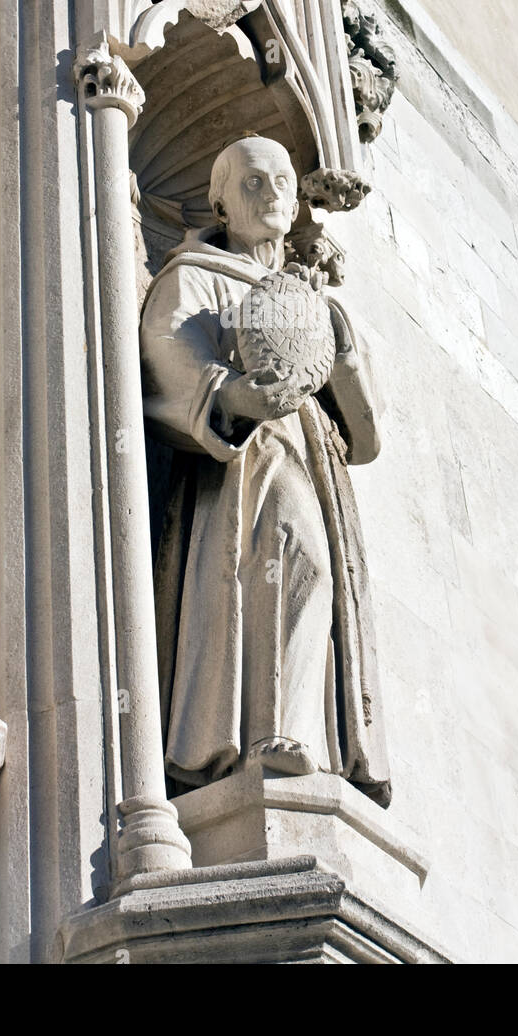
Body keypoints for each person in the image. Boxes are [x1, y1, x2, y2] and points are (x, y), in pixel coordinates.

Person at [140, 135, 391, 805]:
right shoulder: (194, 275)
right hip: (245, 458)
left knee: (318, 572)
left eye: (282, 179)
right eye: (252, 182)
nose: (274, 191)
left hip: (313, 456)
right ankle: (264, 734)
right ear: (219, 201)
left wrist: (341, 353)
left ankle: (303, 732)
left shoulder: (318, 300)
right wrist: (232, 395)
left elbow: (365, 437)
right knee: (290, 552)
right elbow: (166, 350)